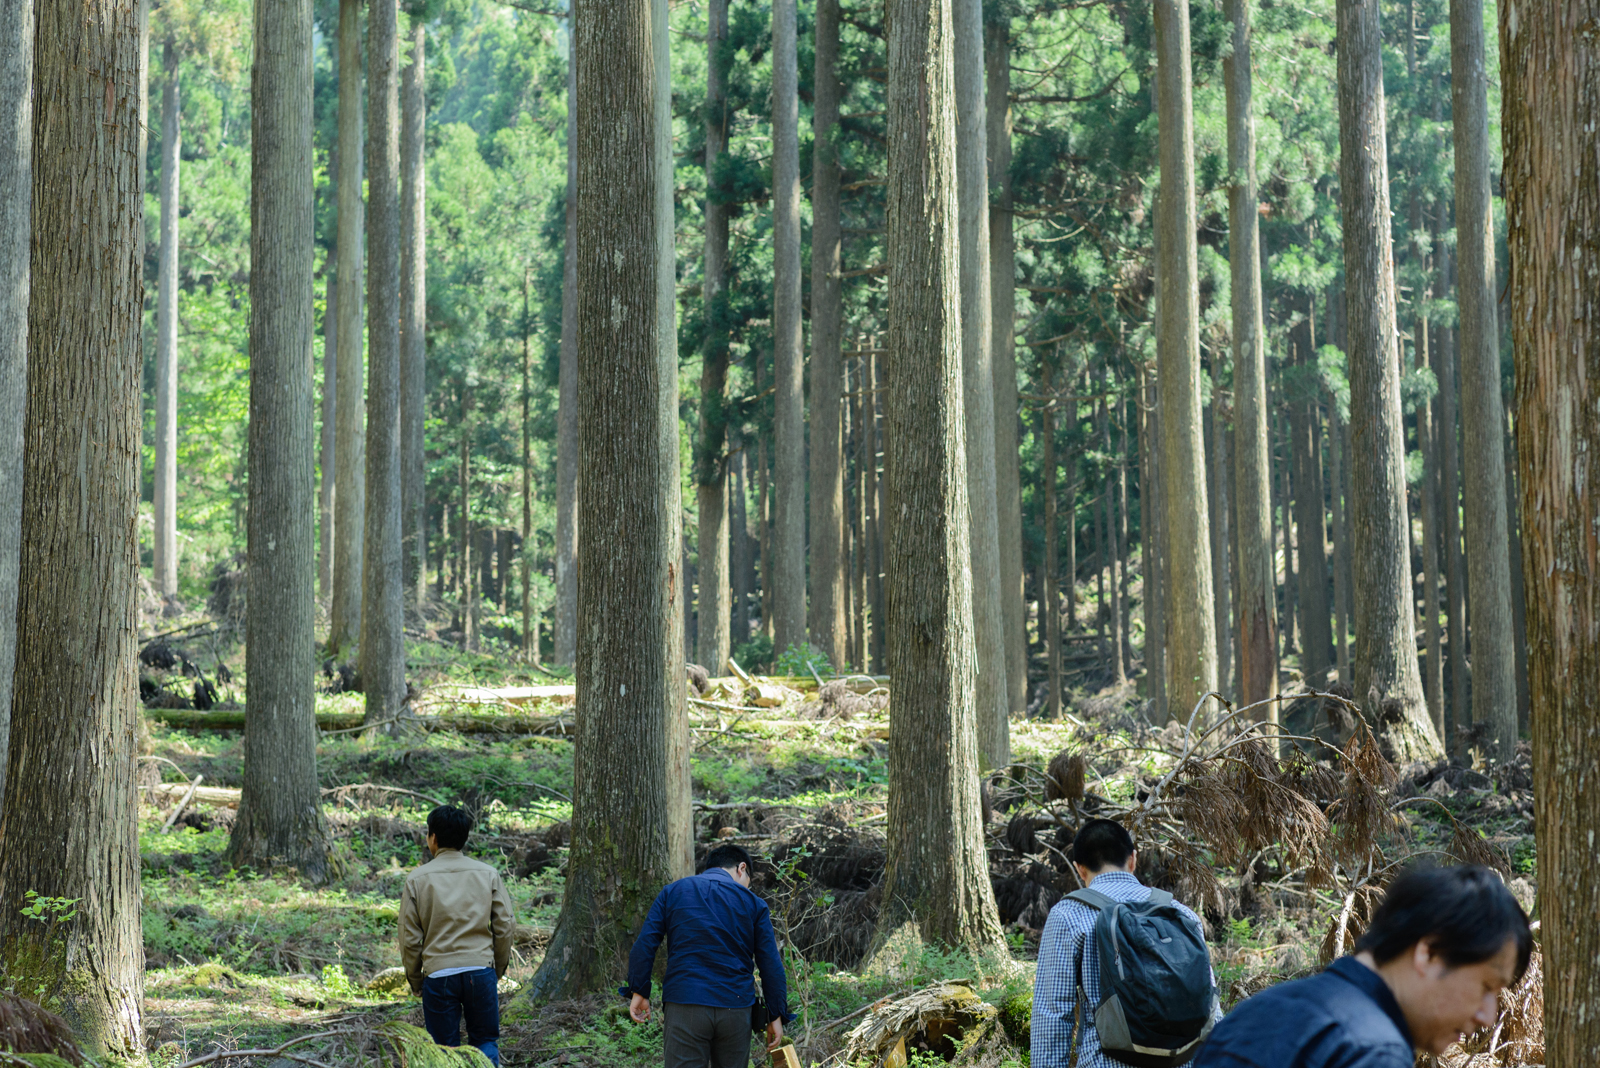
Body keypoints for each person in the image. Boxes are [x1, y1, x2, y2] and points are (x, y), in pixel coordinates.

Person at [1192, 864, 1532, 1067]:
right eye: (1487, 987)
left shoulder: (1255, 1013)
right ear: (1429, 953)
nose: (1488, 1015)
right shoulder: (1372, 1051)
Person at [1032, 818, 1218, 1068]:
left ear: (1080, 868)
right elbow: (1210, 1004)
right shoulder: (1182, 914)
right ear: (1133, 859)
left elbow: (1053, 1013)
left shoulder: (1068, 915)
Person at [624, 843, 792, 1068]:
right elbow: (770, 964)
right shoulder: (754, 904)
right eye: (748, 883)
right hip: (736, 1007)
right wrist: (775, 1015)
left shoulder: (672, 892)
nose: (746, 888)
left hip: (684, 1003)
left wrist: (639, 990)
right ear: (741, 868)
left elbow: (645, 943)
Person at [400, 805, 517, 1067]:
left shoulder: (417, 880)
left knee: (443, 1051)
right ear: (464, 837)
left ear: (433, 838)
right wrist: (496, 968)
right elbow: (505, 925)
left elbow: (409, 939)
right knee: (485, 1041)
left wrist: (416, 979)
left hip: (438, 975)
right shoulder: (487, 873)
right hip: (480, 971)